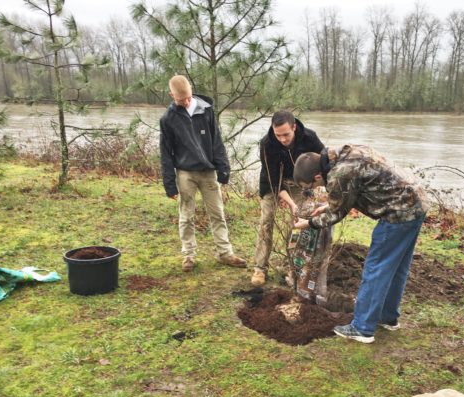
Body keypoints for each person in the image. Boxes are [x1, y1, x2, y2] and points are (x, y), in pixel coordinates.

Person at [293, 145, 430, 343]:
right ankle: (387, 317)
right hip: (416, 204)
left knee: (376, 268)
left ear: (316, 176)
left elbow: (337, 213)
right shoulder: (342, 155)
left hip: (397, 213)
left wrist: (309, 223)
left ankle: (362, 328)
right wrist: (326, 205)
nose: (316, 189)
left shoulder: (340, 172)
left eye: (313, 186)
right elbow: (353, 189)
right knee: (397, 267)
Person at [160, 75, 246, 272]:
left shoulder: (206, 110)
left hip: (208, 172)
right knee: (186, 216)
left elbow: (217, 141)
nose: (187, 102)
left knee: (218, 213)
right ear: (171, 95)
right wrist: (169, 184)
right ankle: (188, 255)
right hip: (185, 173)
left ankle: (224, 253)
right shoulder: (168, 119)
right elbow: (166, 152)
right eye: (181, 100)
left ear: (191, 91)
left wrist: (223, 168)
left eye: (188, 97)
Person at [251, 110, 325, 287]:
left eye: (286, 134)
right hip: (272, 183)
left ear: (294, 127)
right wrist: (289, 202)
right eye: (278, 135)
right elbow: (274, 180)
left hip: (300, 183)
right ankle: (260, 268)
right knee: (266, 222)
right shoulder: (267, 144)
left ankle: (290, 266)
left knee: (297, 224)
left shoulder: (310, 138)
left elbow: (324, 164)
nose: (282, 139)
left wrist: (320, 187)